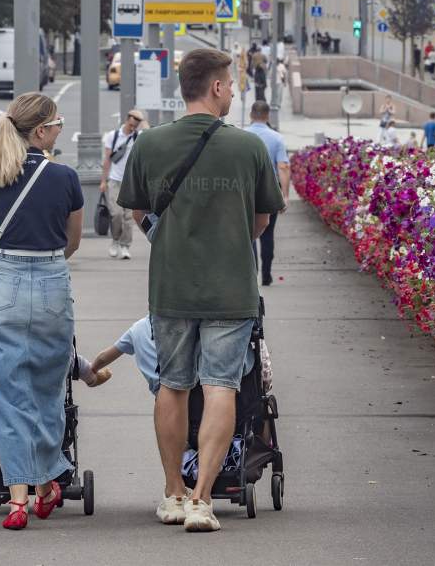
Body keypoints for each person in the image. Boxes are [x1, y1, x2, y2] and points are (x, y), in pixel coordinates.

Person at [118, 48, 285, 532]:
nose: (233, 91)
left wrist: (169, 240)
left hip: (170, 287)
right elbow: (261, 220)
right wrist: (228, 240)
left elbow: (136, 211)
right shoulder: (249, 148)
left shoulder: (149, 144)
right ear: (215, 87)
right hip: (230, 289)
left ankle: (172, 492)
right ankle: (202, 499)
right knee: (220, 388)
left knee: (172, 386)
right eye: (230, 84)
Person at [0, 92, 84, 531]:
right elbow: (72, 243)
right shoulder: (65, 177)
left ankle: (20, 501)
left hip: (3, 284)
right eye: (57, 122)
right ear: (42, 132)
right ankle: (46, 483)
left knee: (8, 397)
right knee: (48, 392)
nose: (60, 128)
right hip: (49, 283)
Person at [90, 315, 274, 395]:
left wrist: (93, 370)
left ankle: (185, 460)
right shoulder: (185, 326)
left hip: (161, 390)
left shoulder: (136, 329)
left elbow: (105, 356)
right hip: (192, 384)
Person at [246, 100, 289, 286]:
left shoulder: (242, 136)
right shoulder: (277, 138)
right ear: (267, 116)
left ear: (250, 115)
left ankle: (252, 273)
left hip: (247, 193)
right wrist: (284, 195)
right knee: (267, 233)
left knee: (249, 234)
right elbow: (283, 167)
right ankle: (266, 274)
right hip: (269, 192)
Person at [99, 109, 146, 260]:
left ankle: (125, 246)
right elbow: (107, 160)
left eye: (136, 125)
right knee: (116, 214)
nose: (132, 128)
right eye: (131, 124)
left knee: (129, 217)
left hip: (132, 182)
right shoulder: (112, 137)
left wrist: (142, 123)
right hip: (114, 180)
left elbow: (149, 130)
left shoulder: (138, 137)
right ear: (126, 120)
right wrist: (103, 181)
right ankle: (115, 240)